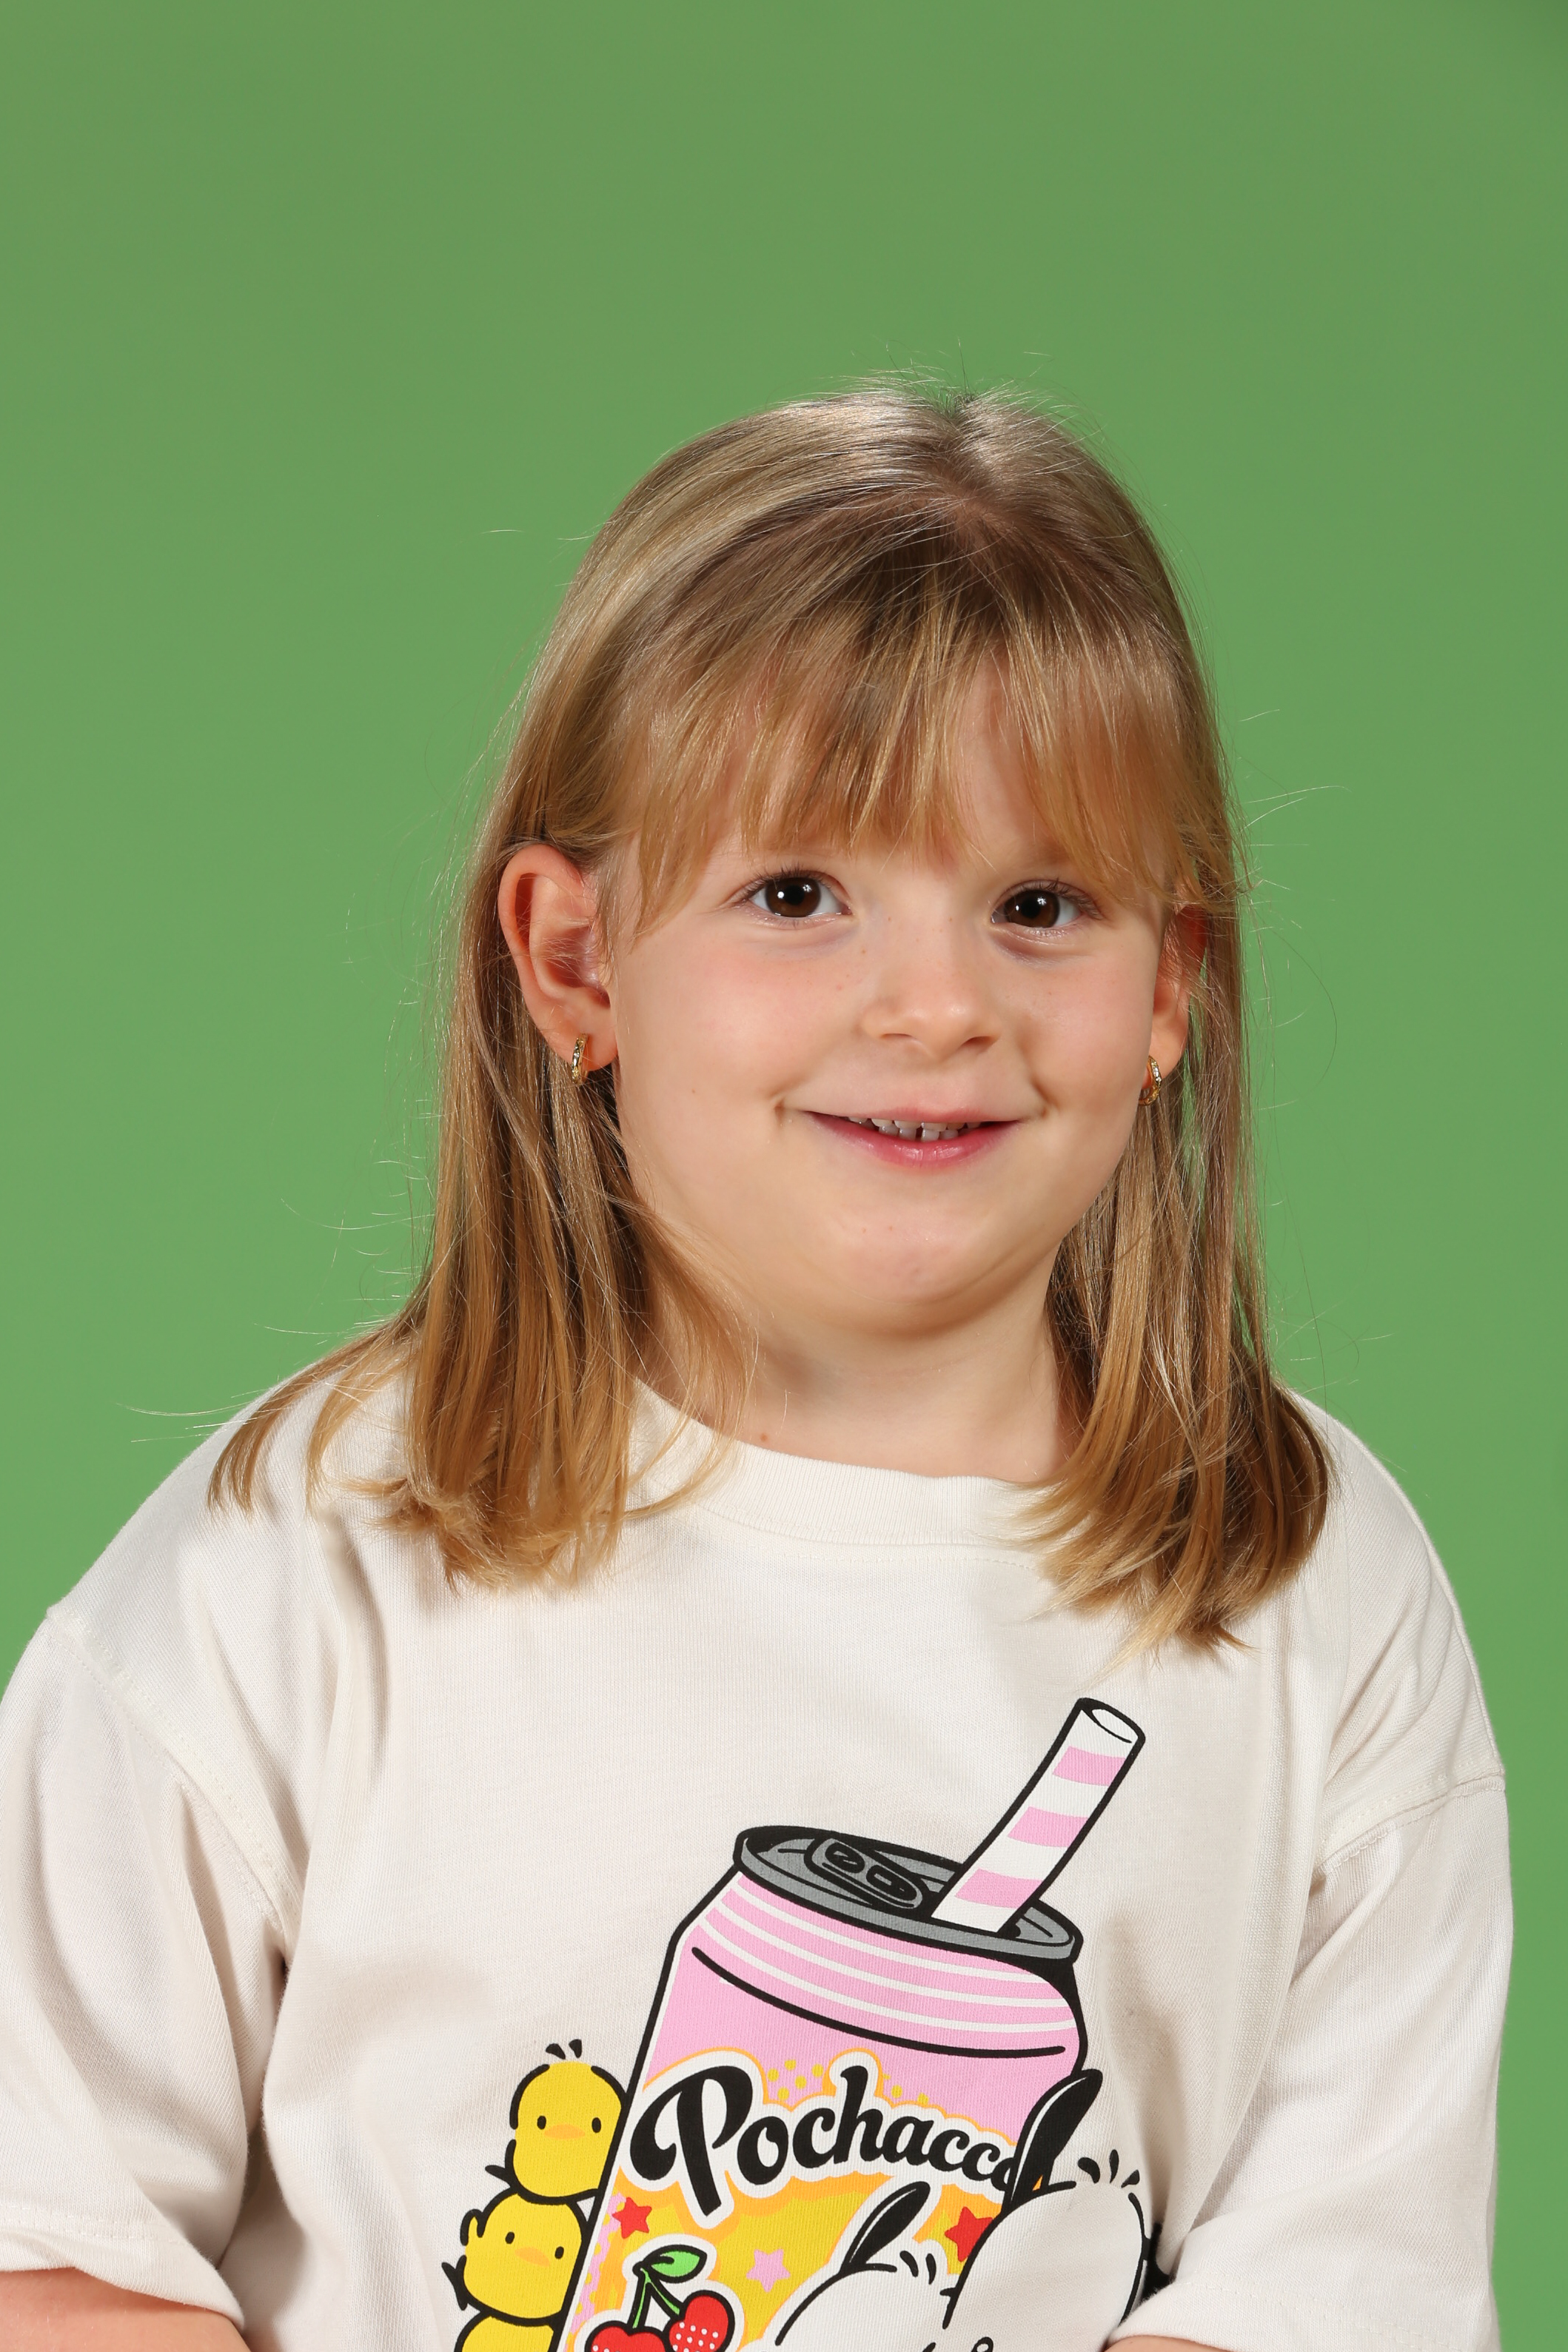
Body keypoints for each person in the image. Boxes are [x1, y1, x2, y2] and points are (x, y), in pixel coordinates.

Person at [0, 391, 1508, 2352]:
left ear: (1170, 986)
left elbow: (1330, 2295)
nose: (938, 1004)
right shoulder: (291, 1570)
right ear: (575, 960)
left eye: (1039, 906)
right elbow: (49, 2252)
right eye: (798, 895)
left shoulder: (1308, 1581)